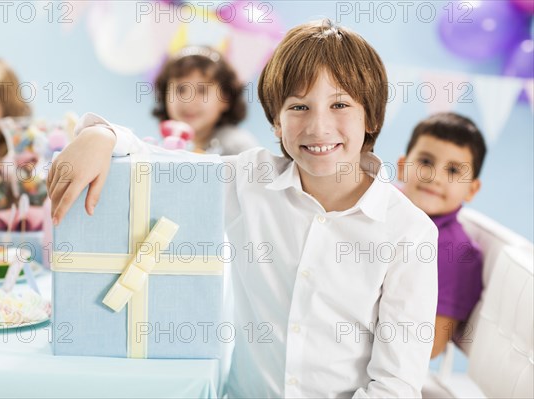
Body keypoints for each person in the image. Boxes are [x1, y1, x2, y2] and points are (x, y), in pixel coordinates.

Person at [48, 20, 438, 397]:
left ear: (370, 116)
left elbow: (395, 385)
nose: (319, 127)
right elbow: (161, 162)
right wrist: (103, 134)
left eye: (340, 104)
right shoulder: (250, 181)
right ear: (276, 123)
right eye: (299, 107)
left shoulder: (409, 232)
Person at [397, 112, 485, 359]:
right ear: (403, 167)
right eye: (425, 162)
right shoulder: (378, 204)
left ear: (472, 189)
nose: (434, 177)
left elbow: (430, 346)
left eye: (454, 170)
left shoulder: (459, 255)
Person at [152, 45, 258, 155]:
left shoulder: (236, 147)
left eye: (202, 90)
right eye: (181, 89)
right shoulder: (179, 148)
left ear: (225, 98)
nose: (189, 101)